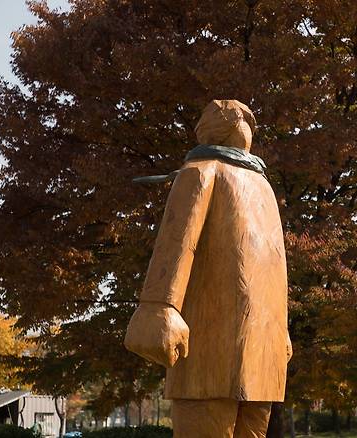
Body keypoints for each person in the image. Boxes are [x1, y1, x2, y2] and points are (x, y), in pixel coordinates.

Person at [125, 99, 291, 438]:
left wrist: (281, 329)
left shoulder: (264, 187)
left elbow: (275, 266)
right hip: (209, 342)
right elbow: (176, 240)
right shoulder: (200, 172)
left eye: (248, 121)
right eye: (240, 119)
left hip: (262, 350)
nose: (247, 127)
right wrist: (160, 306)